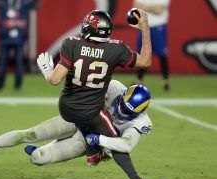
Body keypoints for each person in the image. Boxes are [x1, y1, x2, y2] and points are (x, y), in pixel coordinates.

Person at [0, 80, 158, 179]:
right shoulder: (113, 86)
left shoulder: (141, 122)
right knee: (31, 133)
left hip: (85, 141)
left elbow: (126, 145)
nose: (121, 112)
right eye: (121, 105)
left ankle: (41, 149)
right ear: (123, 94)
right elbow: (84, 98)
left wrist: (99, 142)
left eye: (128, 111)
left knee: (38, 158)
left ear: (140, 113)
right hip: (77, 121)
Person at [37, 9, 151, 166]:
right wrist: (145, 29)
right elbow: (145, 61)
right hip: (94, 112)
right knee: (112, 137)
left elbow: (55, 80)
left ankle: (95, 151)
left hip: (69, 107)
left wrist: (48, 72)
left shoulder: (72, 43)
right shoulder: (116, 49)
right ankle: (101, 154)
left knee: (80, 124)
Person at [0, 0, 39, 91]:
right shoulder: (20, 5)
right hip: (12, 39)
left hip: (12, 39)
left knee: (10, 63)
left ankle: (9, 86)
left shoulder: (10, 4)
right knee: (9, 63)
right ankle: (12, 86)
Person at [133, 0, 171, 91]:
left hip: (158, 26)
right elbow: (136, 6)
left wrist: (144, 8)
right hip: (144, 26)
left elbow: (159, 10)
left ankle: (165, 81)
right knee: (143, 54)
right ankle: (139, 81)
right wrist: (151, 8)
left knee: (162, 54)